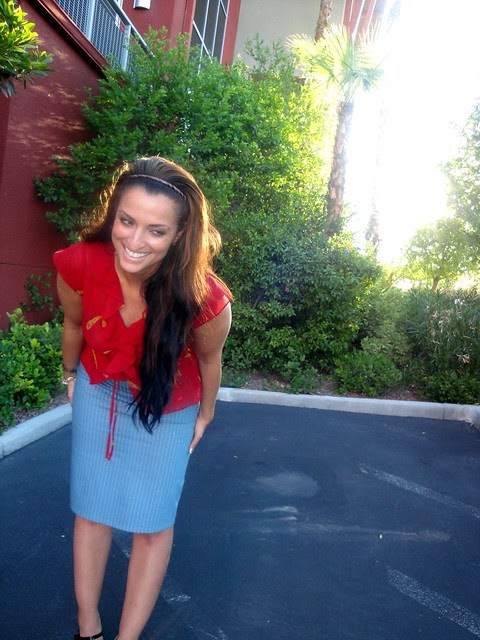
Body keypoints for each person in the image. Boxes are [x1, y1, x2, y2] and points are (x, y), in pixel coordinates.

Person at [53, 156, 232, 640]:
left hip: (168, 404)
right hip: (98, 388)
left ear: (179, 234)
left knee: (151, 524)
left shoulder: (206, 299)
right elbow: (74, 323)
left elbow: (209, 361)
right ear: (113, 215)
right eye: (127, 221)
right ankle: (87, 628)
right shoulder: (80, 263)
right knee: (92, 509)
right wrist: (70, 375)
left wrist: (206, 414)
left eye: (156, 230)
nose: (135, 241)